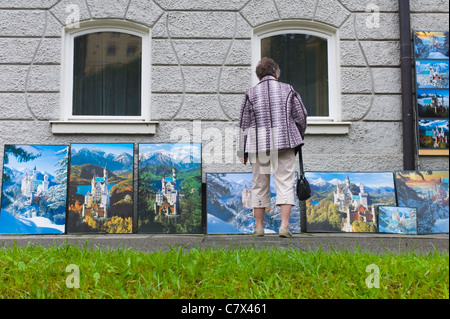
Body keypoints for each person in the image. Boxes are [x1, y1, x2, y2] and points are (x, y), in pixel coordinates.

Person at [237, 57, 308, 238]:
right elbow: (301, 116)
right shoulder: (288, 89)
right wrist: (297, 135)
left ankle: (259, 228)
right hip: (285, 143)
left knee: (259, 185)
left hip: (258, 145)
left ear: (258, 76)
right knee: (285, 182)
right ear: (276, 73)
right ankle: (284, 227)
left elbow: (243, 124)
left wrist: (242, 151)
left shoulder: (250, 94)